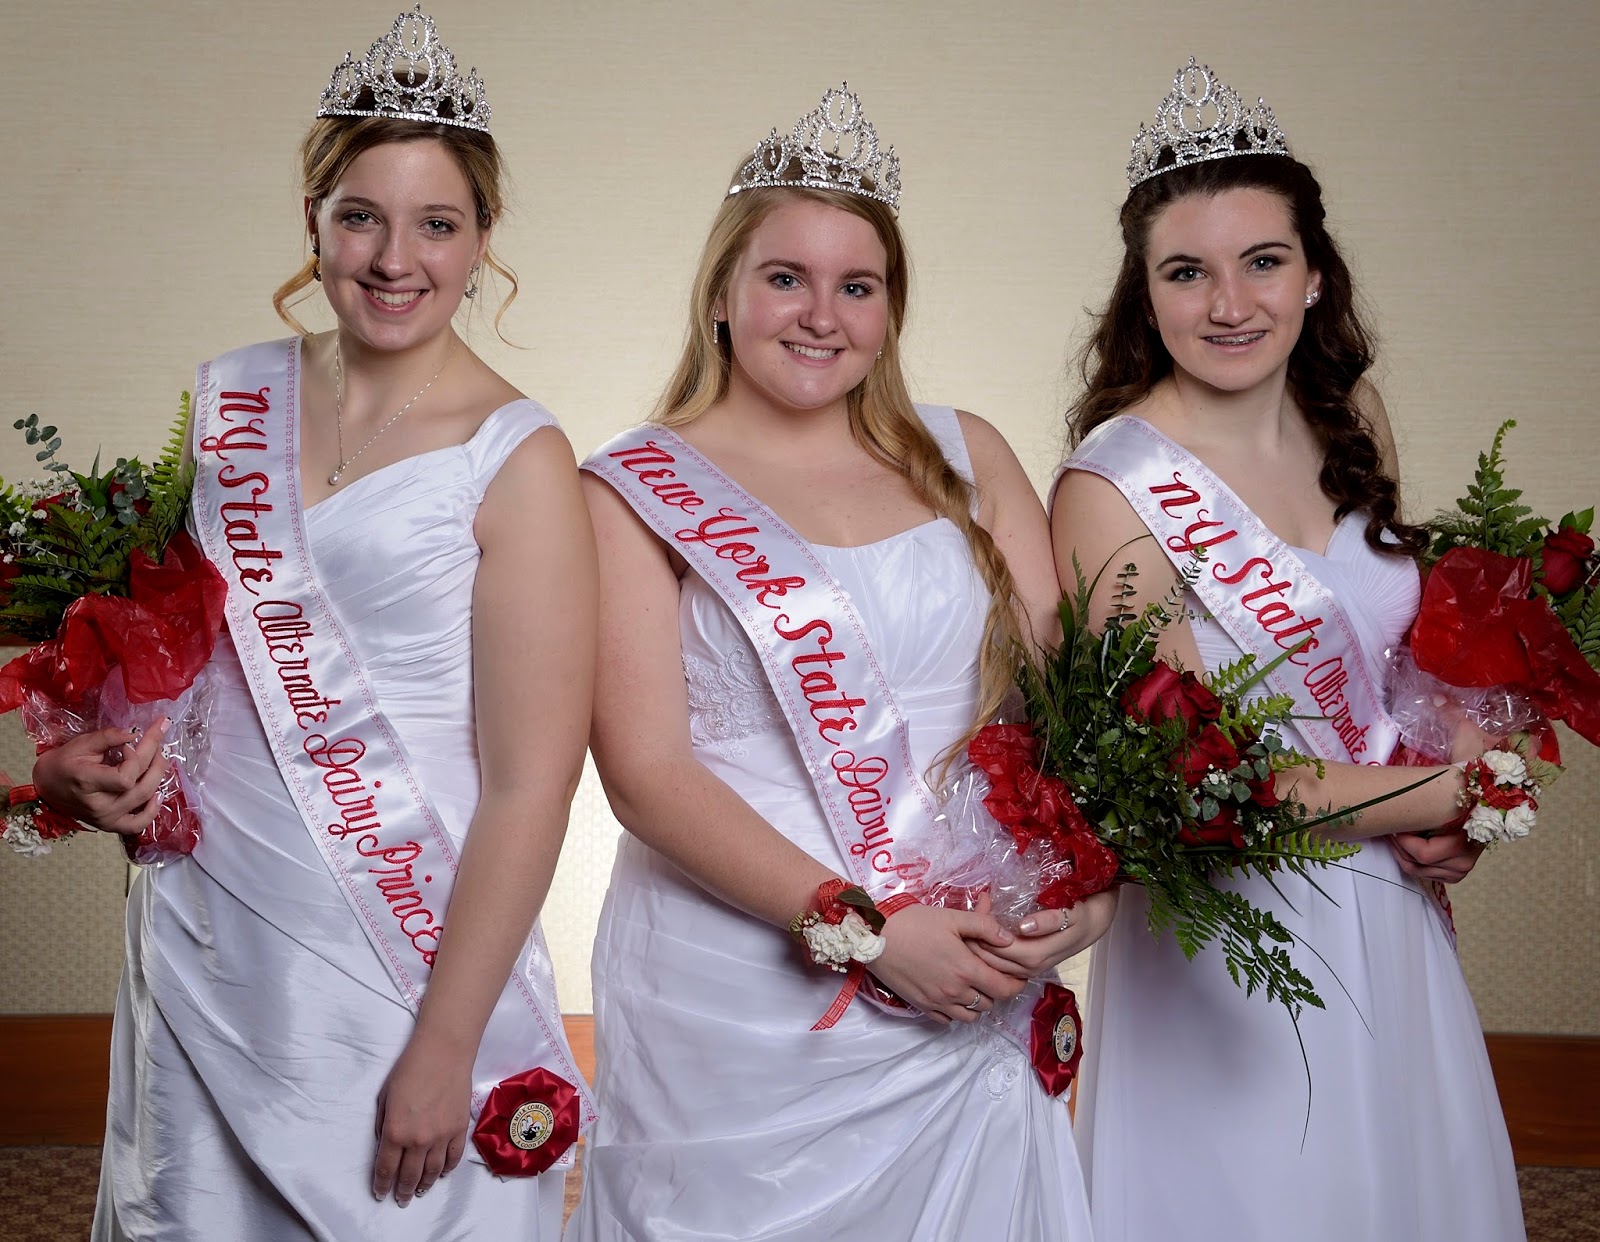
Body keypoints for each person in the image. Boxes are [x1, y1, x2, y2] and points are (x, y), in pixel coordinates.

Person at [31, 8, 596, 1238]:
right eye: (361, 217)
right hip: (202, 938)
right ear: (314, 223)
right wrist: (78, 763)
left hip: (400, 960)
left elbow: (532, 786)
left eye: (436, 223)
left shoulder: (523, 458)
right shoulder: (234, 397)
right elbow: (173, 664)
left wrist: (447, 1048)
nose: (396, 258)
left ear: (482, 239)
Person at [567, 85, 1112, 1241]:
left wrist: (1083, 893)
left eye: (855, 286)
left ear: (889, 309)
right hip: (736, 981)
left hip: (972, 960)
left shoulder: (969, 456)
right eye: (784, 279)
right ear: (722, 294)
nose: (820, 316)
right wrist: (873, 933)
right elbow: (646, 776)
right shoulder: (629, 489)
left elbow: (1072, 708)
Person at [1053, 58, 1525, 1242]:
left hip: (1390, 909)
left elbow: (1403, 653)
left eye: (1262, 261)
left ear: (1314, 276)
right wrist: (1442, 791)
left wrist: (1467, 772)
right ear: (1143, 296)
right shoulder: (1110, 489)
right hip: (1233, 947)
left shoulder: (1345, 425)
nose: (1229, 303)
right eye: (1185, 272)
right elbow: (1184, 781)